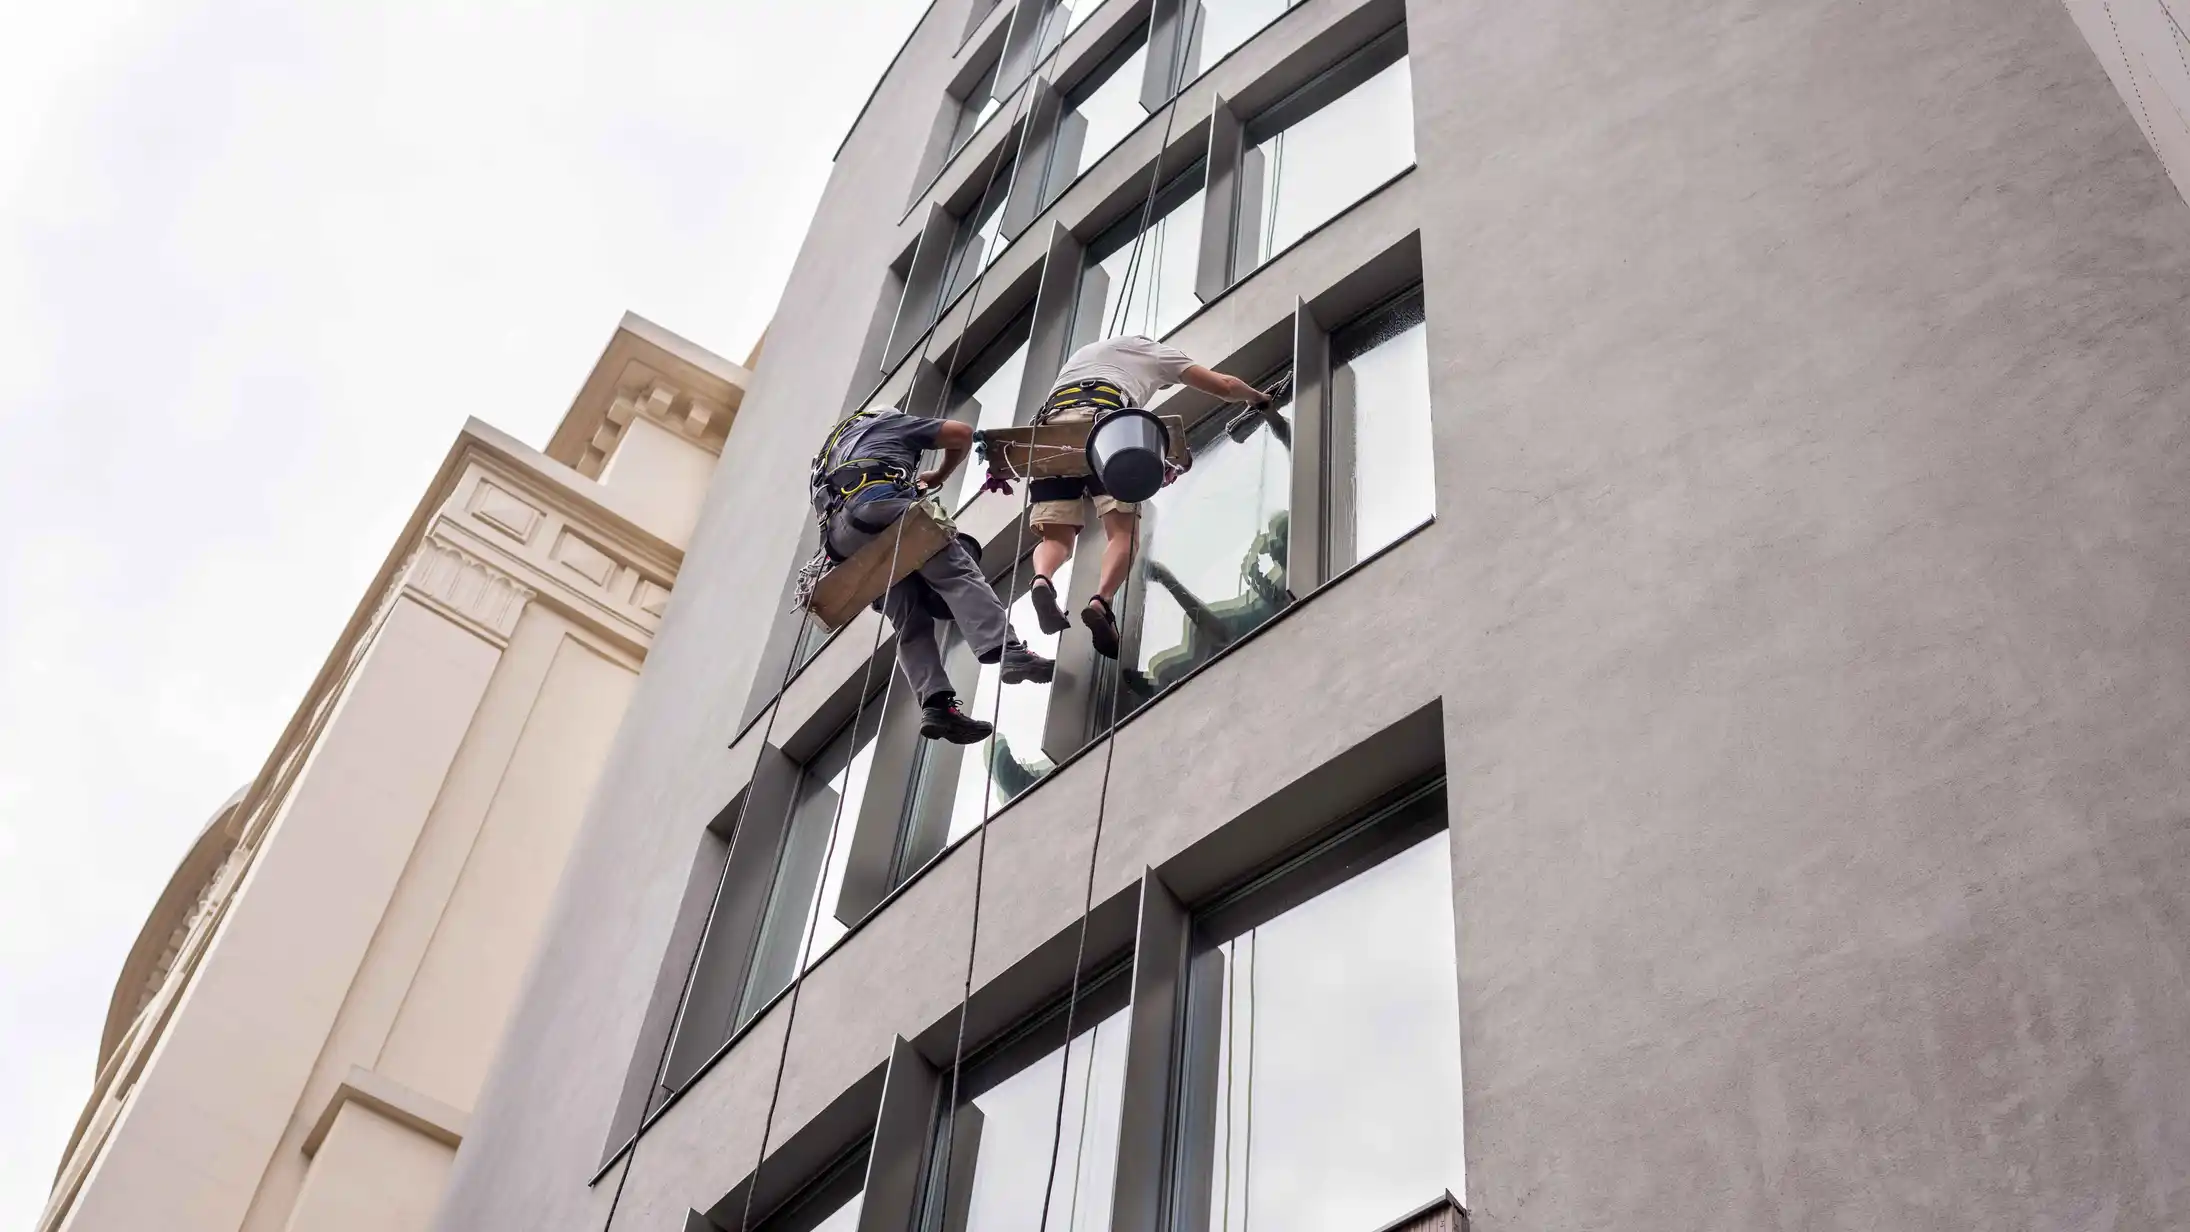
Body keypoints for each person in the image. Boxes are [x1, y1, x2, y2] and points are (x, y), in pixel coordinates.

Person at [812, 404, 1053, 744]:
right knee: (956, 572)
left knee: (908, 618)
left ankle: (937, 706)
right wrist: (939, 475)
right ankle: (1008, 651)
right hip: (879, 504)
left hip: (843, 542)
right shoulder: (890, 423)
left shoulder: (828, 454)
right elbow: (962, 434)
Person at [1023, 335, 1272, 657]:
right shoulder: (1159, 353)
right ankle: (1101, 601)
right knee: (1123, 533)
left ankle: (1042, 579)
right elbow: (1224, 385)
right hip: (1103, 427)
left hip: (1048, 433)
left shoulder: (1087, 353)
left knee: (1055, 538)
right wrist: (1258, 398)